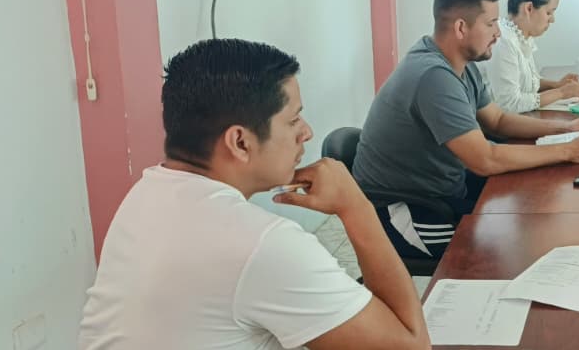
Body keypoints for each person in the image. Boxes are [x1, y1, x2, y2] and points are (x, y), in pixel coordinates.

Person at [79, 39, 429, 350]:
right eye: (293, 120)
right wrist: (356, 206)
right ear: (240, 142)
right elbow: (411, 344)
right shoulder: (263, 244)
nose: (306, 133)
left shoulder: (147, 193)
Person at [354, 0, 579, 260]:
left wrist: (563, 129)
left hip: (445, 189)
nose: (498, 33)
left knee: (531, 212)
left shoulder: (462, 64)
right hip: (406, 211)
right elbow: (485, 159)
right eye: (491, 23)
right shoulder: (433, 76)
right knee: (508, 254)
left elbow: (497, 120)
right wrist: (567, 150)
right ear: (461, 28)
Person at [482, 0, 579, 113]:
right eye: (549, 12)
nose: (552, 20)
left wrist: (556, 85)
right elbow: (508, 104)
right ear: (529, 8)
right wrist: (561, 93)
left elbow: (526, 82)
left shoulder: (520, 37)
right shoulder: (503, 41)